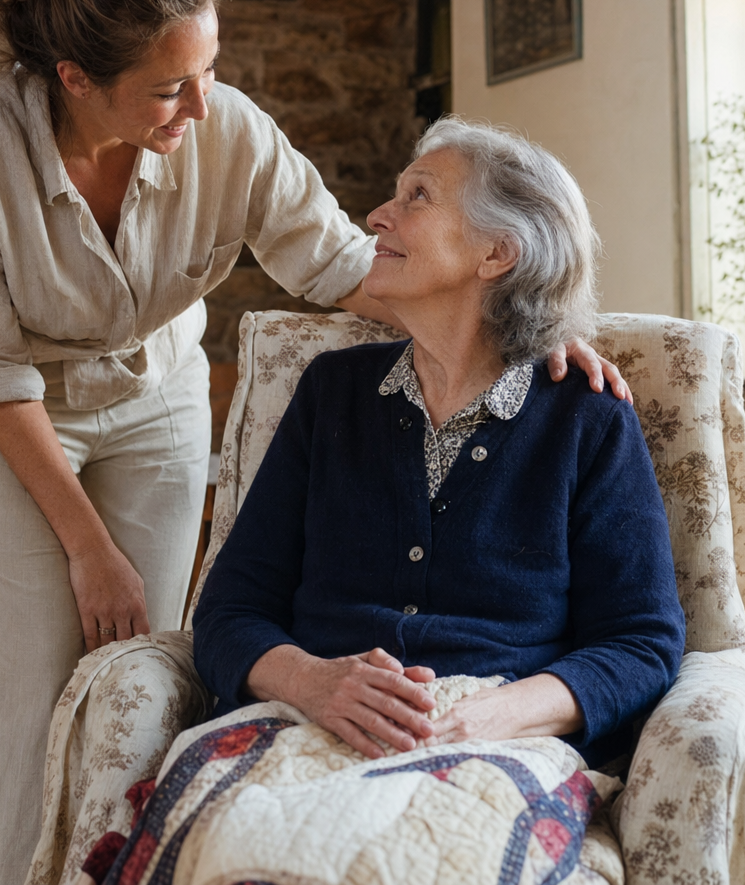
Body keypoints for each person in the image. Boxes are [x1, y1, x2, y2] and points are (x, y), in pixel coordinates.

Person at [0, 0, 630, 884]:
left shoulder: (228, 130)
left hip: (153, 393)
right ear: (76, 79)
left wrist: (545, 336)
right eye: (171, 88)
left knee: (136, 664)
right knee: (24, 671)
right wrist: (89, 549)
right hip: (13, 408)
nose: (202, 107)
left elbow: (349, 265)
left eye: (208, 71)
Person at [193, 117, 686, 770]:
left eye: (416, 196)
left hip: (499, 745)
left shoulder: (587, 419)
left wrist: (495, 715)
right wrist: (312, 682)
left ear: (496, 254)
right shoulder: (331, 393)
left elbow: (641, 643)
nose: (375, 217)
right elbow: (229, 610)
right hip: (303, 726)